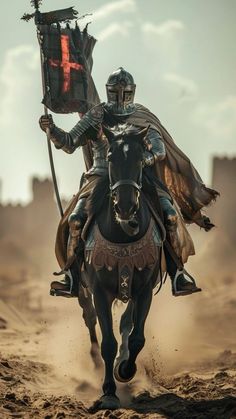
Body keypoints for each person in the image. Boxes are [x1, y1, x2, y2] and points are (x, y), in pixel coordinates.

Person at [39, 67, 217, 297]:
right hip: (101, 175)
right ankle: (71, 276)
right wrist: (51, 129)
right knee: (75, 219)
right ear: (108, 91)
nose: (121, 96)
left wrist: (146, 158)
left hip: (138, 177)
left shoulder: (142, 116)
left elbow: (159, 148)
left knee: (170, 216)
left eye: (125, 91)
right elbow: (70, 141)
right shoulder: (97, 115)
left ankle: (177, 274)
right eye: (116, 91)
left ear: (132, 92)